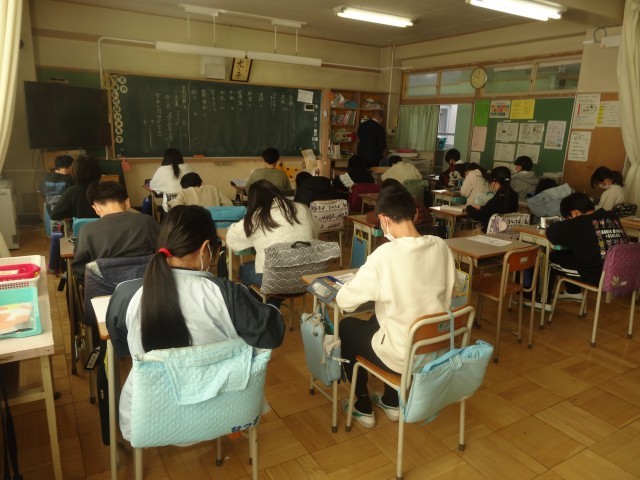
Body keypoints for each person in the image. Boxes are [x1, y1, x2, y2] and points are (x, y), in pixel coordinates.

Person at [105, 205, 285, 441]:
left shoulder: (126, 294)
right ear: (205, 248)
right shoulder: (229, 294)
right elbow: (272, 335)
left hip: (151, 420)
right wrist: (272, 305)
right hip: (225, 413)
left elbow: (121, 348)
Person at [335, 186, 455, 428]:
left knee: (347, 327)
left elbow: (345, 301)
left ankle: (362, 406)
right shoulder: (441, 246)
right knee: (376, 322)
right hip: (437, 347)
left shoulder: (384, 255)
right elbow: (453, 288)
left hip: (403, 355)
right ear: (415, 214)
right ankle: (391, 402)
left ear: (383, 219)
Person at [225, 179, 320, 295]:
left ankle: (263, 304)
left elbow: (232, 239)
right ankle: (273, 302)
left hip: (276, 281)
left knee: (244, 269)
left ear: (253, 200)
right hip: (308, 278)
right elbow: (316, 230)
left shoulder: (257, 218)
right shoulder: (302, 208)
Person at [546, 192, 628, 300]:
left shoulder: (579, 223)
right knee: (571, 253)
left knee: (549, 258)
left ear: (574, 213)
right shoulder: (612, 216)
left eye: (567, 218)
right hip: (623, 273)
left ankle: (542, 300)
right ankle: (572, 292)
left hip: (599, 276)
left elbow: (552, 233)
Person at [72, 181, 159, 281]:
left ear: (96, 208)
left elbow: (79, 271)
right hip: (148, 285)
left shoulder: (87, 231)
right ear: (127, 202)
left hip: (104, 288)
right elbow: (164, 252)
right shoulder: (148, 222)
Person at [465, 166, 519, 232]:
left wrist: (469, 208)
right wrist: (482, 208)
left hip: (490, 233)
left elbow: (480, 216)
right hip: (507, 233)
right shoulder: (514, 195)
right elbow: (495, 210)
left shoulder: (498, 198)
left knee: (459, 233)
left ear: (494, 180)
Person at [365, 179, 432, 231]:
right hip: (423, 233)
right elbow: (429, 219)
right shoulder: (415, 200)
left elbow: (370, 218)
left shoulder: (390, 204)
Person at [51, 155, 102, 220]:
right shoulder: (107, 189)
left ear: (75, 172)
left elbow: (54, 215)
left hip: (81, 226)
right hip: (105, 226)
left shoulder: (72, 192)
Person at [149, 148, 194, 212]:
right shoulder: (188, 167)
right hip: (190, 206)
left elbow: (152, 186)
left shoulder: (162, 169)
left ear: (166, 159)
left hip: (171, 208)